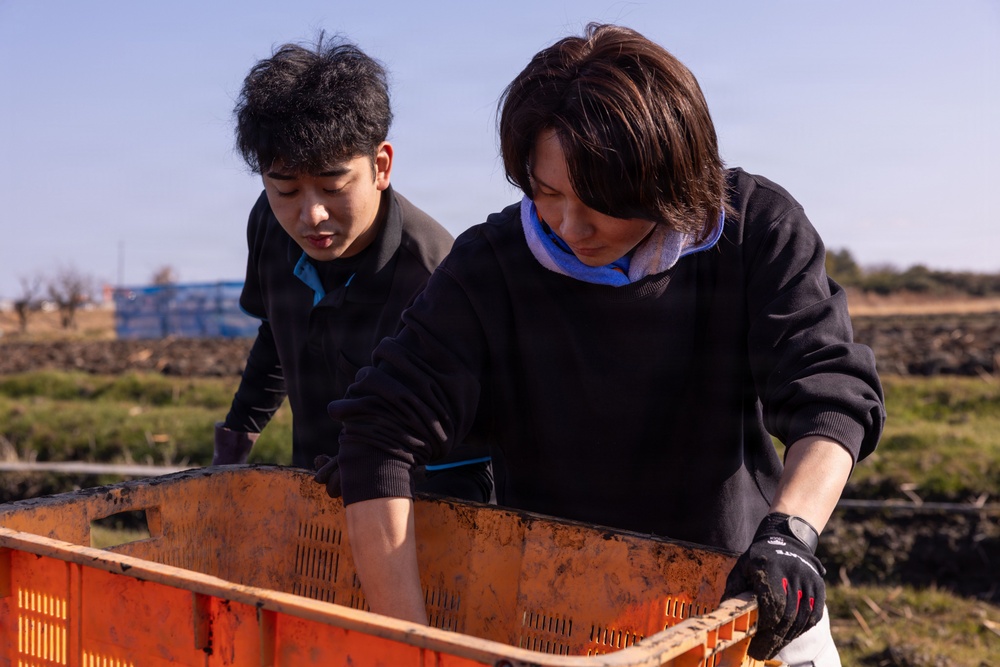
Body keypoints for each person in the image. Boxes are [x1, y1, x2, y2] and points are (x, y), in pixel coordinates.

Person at [319, 24, 885, 665]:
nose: (571, 226)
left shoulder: (753, 227)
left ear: (669, 178)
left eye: (603, 200)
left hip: (742, 600)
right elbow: (380, 433)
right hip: (560, 617)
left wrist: (789, 534)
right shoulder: (492, 267)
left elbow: (830, 393)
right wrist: (416, 651)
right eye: (547, 193)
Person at [214, 35, 492, 503]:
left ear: (381, 166)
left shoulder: (434, 278)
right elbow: (277, 335)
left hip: (413, 509)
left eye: (333, 186)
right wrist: (235, 439)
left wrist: (377, 473)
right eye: (286, 190)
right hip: (312, 497)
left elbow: (469, 454)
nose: (311, 216)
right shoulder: (270, 225)